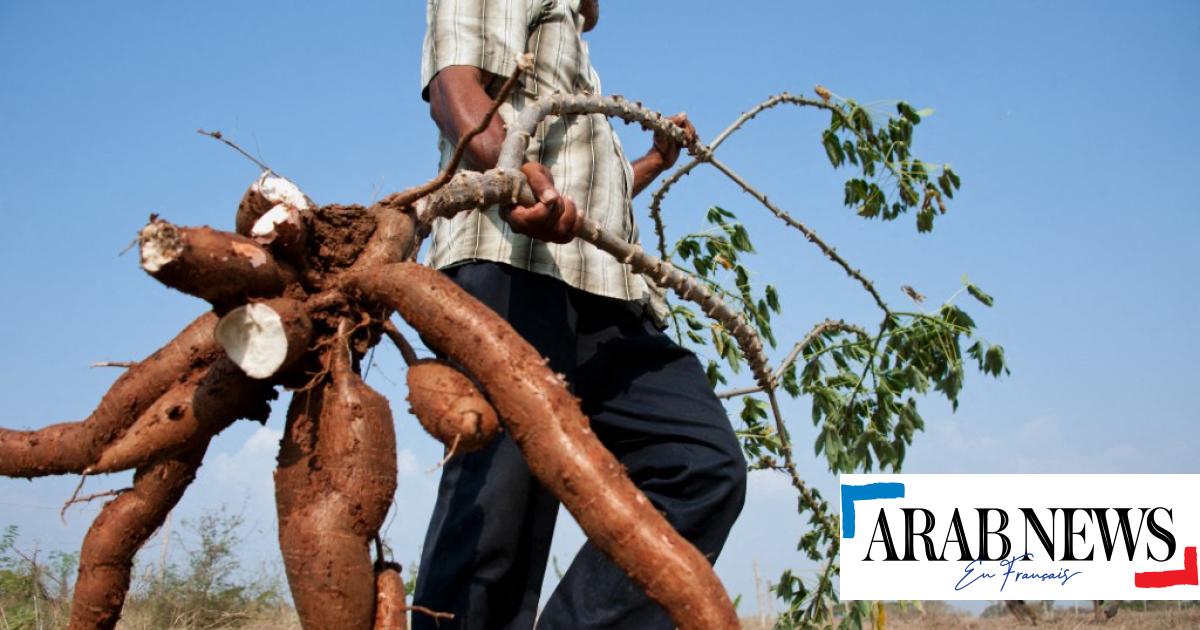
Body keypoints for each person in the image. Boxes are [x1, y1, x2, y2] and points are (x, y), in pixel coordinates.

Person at [413, 1, 747, 628]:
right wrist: (511, 178)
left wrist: (648, 163)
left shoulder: (570, 50)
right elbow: (453, 87)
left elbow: (576, 195)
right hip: (513, 266)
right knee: (498, 506)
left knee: (700, 464)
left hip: (606, 294)